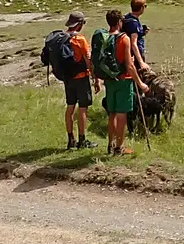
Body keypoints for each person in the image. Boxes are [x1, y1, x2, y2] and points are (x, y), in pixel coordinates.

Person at [100, 9, 141, 156]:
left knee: (111, 113)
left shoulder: (104, 38)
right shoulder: (124, 39)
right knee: (121, 114)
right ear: (119, 22)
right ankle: (120, 147)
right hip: (124, 80)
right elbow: (129, 66)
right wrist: (140, 83)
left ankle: (110, 144)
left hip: (109, 80)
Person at [58, 12, 97, 150]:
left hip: (68, 78)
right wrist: (95, 78)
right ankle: (82, 140)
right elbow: (88, 60)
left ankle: (70, 139)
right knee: (82, 108)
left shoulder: (62, 38)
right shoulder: (80, 39)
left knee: (70, 107)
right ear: (79, 24)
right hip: (81, 78)